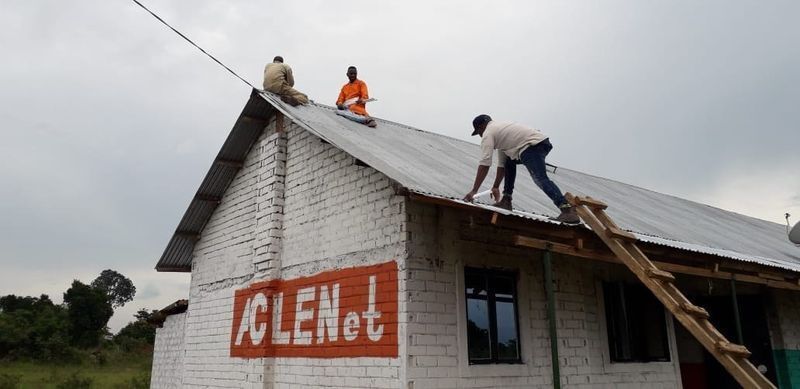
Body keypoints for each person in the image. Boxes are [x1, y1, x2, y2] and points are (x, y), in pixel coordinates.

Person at [463, 114, 580, 224]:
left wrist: (474, 190)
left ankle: (567, 210)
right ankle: (506, 200)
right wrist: (495, 186)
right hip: (539, 143)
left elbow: (484, 164)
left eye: (479, 132)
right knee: (509, 162)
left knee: (540, 179)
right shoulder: (501, 134)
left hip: (531, 146)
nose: (480, 136)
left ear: (482, 127)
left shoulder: (488, 133)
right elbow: (502, 165)